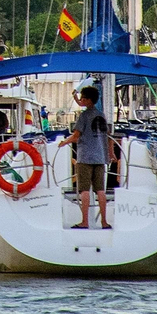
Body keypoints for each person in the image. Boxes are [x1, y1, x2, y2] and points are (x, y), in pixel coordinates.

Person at [63, 81, 111, 229]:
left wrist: (64, 142)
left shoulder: (84, 116)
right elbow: (107, 136)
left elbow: (76, 136)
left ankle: (84, 221)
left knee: (84, 190)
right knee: (100, 191)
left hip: (85, 158)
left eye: (83, 98)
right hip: (100, 157)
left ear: (89, 100)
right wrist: (110, 154)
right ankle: (104, 221)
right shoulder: (101, 115)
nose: (81, 100)